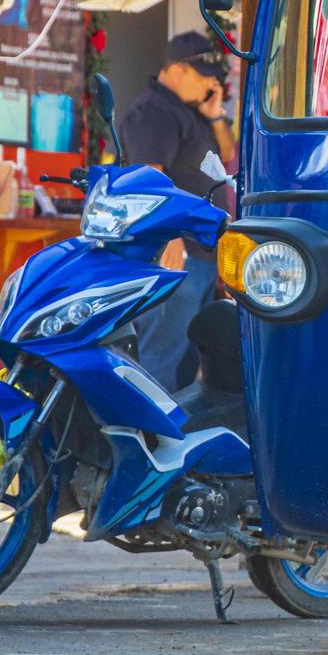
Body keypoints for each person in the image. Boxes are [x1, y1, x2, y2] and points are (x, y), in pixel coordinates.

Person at [119, 31, 235, 391]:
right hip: (174, 252)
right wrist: (168, 236)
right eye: (202, 73)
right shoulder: (153, 112)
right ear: (176, 69)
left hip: (200, 255)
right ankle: (150, 442)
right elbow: (150, 179)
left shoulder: (192, 109)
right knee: (161, 361)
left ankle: (175, 440)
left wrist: (215, 116)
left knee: (186, 365)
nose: (211, 82)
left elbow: (227, 156)